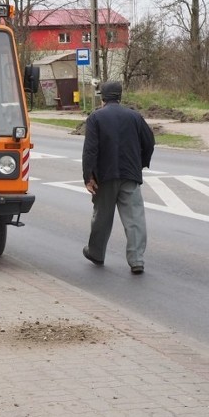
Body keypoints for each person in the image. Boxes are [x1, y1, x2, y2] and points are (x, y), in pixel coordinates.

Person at [82, 81, 155, 274]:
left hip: (105, 176)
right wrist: (140, 164)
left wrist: (88, 176)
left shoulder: (96, 117)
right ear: (120, 96)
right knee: (135, 219)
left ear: (102, 97)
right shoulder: (134, 116)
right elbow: (149, 142)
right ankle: (137, 260)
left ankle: (96, 253)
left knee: (102, 217)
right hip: (130, 174)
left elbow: (90, 150)